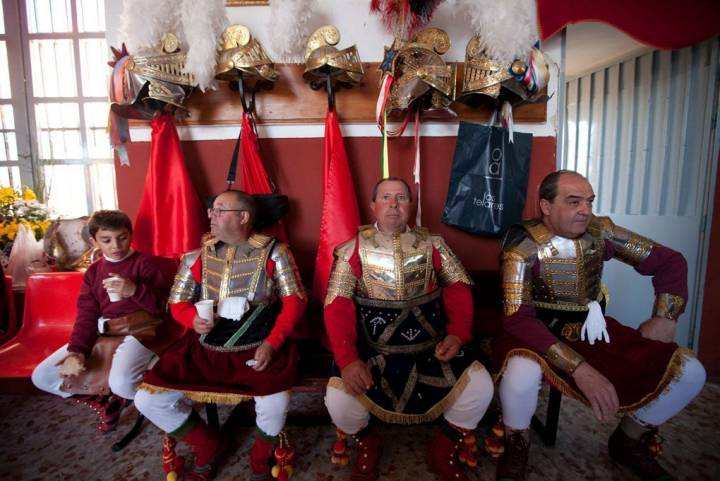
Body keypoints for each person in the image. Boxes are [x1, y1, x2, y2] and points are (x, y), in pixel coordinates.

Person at [494, 170, 706, 481]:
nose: (585, 210)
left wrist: (665, 316)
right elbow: (517, 317)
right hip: (532, 330)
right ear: (546, 206)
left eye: (589, 202)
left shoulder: (601, 232)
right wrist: (581, 369)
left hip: (588, 329)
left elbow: (670, 261)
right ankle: (516, 441)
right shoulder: (522, 246)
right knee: (521, 374)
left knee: (690, 372)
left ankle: (628, 440)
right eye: (574, 201)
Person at [323, 177, 494, 481]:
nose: (394, 204)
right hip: (373, 353)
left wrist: (458, 333)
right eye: (386, 197)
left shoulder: (434, 244)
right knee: (338, 399)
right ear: (373, 205)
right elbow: (337, 305)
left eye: (401, 198)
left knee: (480, 385)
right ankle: (367, 444)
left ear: (411, 206)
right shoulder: (351, 250)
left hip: (432, 350)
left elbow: (458, 287)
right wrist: (348, 360)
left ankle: (444, 448)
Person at [134, 190, 307, 481]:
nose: (211, 215)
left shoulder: (276, 252)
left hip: (259, 343)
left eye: (219, 210)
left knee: (274, 404)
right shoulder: (197, 256)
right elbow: (177, 302)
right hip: (205, 347)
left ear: (243, 216)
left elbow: (296, 300)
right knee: (147, 400)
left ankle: (260, 456)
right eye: (211, 210)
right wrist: (192, 320)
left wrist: (272, 343)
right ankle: (208, 445)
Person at [32, 210, 178, 432]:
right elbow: (87, 313)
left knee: (123, 384)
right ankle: (104, 401)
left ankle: (151, 401)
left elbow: (169, 309)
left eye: (122, 238)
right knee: (42, 376)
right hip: (105, 332)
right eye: (106, 240)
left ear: (131, 235)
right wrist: (77, 350)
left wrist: (135, 291)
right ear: (94, 241)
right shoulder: (93, 272)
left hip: (143, 330)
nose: (116, 246)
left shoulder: (147, 264)